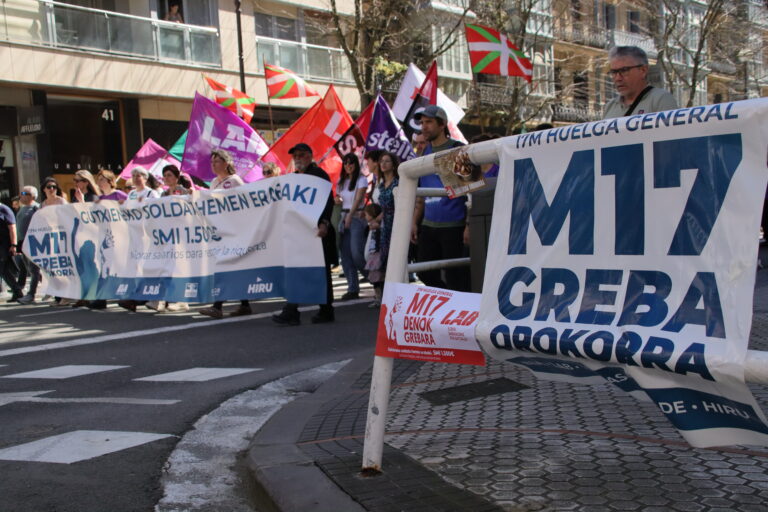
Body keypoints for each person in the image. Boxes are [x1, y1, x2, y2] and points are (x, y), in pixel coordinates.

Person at [272, 143, 336, 325]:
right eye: (295, 156)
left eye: (301, 155)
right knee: (297, 268)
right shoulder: (294, 178)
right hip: (300, 231)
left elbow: (327, 201)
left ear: (309, 156)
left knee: (320, 272)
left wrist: (324, 223)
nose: (297, 158)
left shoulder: (318, 175)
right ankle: (294, 310)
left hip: (316, 231)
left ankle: (324, 310)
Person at [410, 105, 470, 292]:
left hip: (454, 225)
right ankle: (448, 303)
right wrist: (414, 222)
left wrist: (469, 225)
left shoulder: (457, 149)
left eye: (429, 122)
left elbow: (472, 190)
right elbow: (421, 193)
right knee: (424, 272)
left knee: (457, 276)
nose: (424, 127)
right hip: (429, 225)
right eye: (422, 123)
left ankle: (462, 312)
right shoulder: (423, 153)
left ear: (442, 124)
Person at [199, 149, 251, 319]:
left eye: (217, 161)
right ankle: (245, 304)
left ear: (227, 163)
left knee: (225, 266)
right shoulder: (214, 182)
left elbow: (244, 203)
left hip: (234, 230)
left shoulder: (235, 181)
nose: (213, 165)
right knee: (233, 267)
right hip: (220, 231)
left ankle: (217, 306)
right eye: (212, 162)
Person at [603, 46, 678, 119]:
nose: (618, 78)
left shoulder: (661, 100)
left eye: (624, 70)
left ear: (643, 70)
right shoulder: (610, 107)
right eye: (614, 72)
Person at [337, 153, 368, 301]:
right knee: (345, 255)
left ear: (356, 164)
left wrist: (350, 215)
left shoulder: (361, 180)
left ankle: (375, 280)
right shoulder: (341, 181)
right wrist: (337, 199)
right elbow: (340, 198)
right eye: (345, 163)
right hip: (343, 216)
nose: (348, 166)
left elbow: (358, 199)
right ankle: (353, 288)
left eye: (351, 163)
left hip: (356, 217)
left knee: (357, 253)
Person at [15, 186, 41, 304]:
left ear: (32, 196)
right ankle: (45, 289)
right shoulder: (22, 208)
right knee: (30, 269)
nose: (21, 195)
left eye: (24, 193)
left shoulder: (36, 207)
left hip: (33, 242)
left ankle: (31, 294)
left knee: (34, 269)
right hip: (22, 243)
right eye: (21, 192)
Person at [0, 199, 23, 302]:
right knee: (5, 270)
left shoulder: (4, 209)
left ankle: (17, 291)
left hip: (4, 245)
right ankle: (17, 291)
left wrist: (14, 245)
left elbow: (12, 227)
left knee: (4, 270)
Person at [364, 203, 384, 307]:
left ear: (372, 215)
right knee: (375, 279)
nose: (365, 216)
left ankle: (381, 299)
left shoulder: (377, 227)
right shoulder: (370, 226)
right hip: (372, 255)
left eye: (366, 214)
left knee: (378, 278)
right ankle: (378, 298)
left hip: (376, 255)